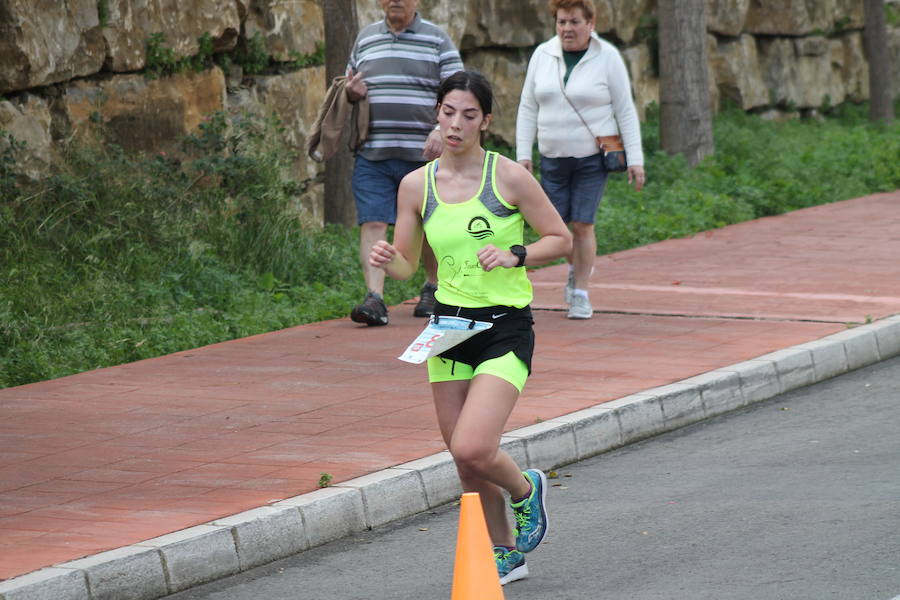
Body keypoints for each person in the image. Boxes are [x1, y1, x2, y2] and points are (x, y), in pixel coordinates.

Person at [369, 70, 572, 585]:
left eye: (468, 114)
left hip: (504, 328)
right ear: (437, 112)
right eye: (448, 112)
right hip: (449, 328)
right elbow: (409, 266)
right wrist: (387, 258)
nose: (456, 123)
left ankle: (526, 489)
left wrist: (514, 254)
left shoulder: (506, 177)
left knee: (473, 447)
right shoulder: (416, 185)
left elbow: (560, 238)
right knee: (464, 465)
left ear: (485, 121)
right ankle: (507, 552)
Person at [516, 0, 645, 320]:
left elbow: (625, 109)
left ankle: (581, 291)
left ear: (591, 22)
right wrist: (523, 155)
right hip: (552, 158)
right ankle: (577, 268)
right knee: (555, 229)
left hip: (592, 158)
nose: (567, 29)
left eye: (574, 22)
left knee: (583, 224)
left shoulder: (608, 57)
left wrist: (636, 158)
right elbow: (528, 106)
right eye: (561, 22)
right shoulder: (543, 55)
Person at [345, 0, 464, 326]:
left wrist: (441, 128)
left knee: (430, 223)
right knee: (373, 222)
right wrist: (352, 92)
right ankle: (375, 298)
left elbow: (459, 91)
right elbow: (349, 83)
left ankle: (433, 287)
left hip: (424, 157)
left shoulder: (437, 39)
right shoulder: (366, 38)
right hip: (373, 153)